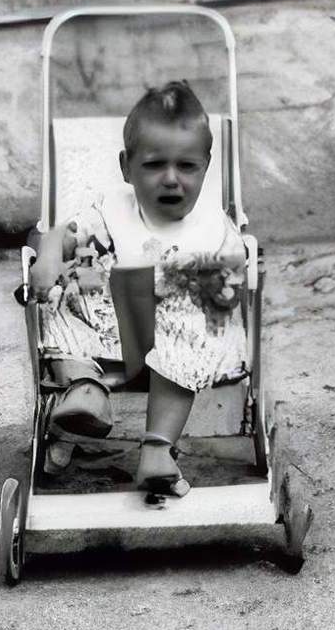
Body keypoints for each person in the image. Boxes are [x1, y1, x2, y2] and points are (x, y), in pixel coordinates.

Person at [29, 81, 247, 498]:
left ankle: (158, 448)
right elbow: (65, 234)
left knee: (199, 307)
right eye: (154, 165)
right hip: (110, 336)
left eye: (187, 166)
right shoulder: (112, 209)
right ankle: (84, 390)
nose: (171, 179)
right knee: (62, 292)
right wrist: (51, 256)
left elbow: (227, 290)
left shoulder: (214, 229)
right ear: (126, 167)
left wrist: (191, 281)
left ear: (206, 166)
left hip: (175, 349)